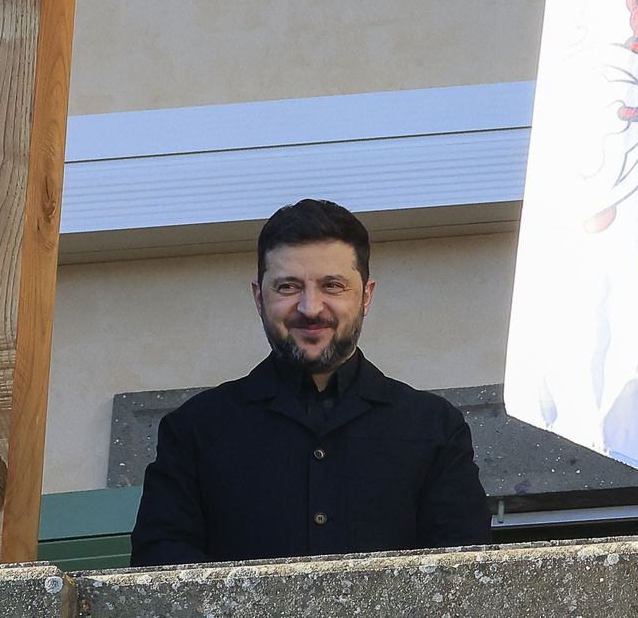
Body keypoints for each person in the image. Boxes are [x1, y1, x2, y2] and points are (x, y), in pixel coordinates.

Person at [131, 199, 492, 565]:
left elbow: (465, 578)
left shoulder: (435, 428)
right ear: (259, 298)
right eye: (287, 287)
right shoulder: (193, 430)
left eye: (332, 286)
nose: (310, 308)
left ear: (365, 296)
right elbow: (160, 570)